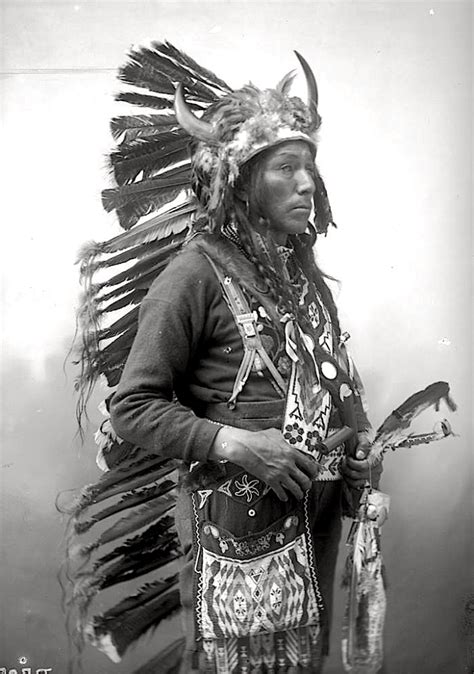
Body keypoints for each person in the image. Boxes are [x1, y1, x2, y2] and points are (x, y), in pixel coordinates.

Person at [105, 51, 380, 673]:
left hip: (315, 517)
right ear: (241, 180)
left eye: (310, 167)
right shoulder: (193, 277)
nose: (308, 184)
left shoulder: (308, 280)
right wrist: (231, 442)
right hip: (237, 528)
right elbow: (132, 407)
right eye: (287, 167)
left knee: (303, 660)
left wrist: (360, 438)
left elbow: (334, 377)